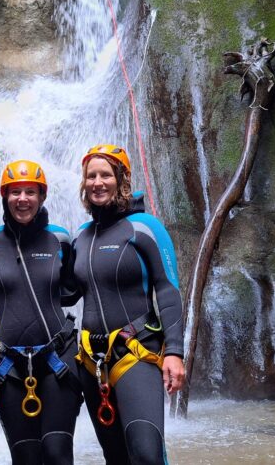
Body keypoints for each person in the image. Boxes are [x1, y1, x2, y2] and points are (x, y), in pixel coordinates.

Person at [72, 144, 186, 465]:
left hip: (136, 352)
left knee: (146, 455)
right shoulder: (81, 236)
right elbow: (66, 293)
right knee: (116, 457)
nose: (98, 182)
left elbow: (167, 288)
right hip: (91, 362)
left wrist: (175, 352)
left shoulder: (145, 227)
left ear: (121, 178)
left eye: (105, 174)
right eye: (91, 176)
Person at [0, 160, 82, 464]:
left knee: (57, 453)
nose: (23, 199)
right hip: (9, 366)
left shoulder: (61, 239)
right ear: (4, 196)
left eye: (30, 192)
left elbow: (72, 289)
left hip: (58, 360)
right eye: (15, 192)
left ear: (41, 196)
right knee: (25, 457)